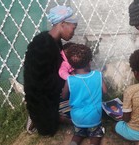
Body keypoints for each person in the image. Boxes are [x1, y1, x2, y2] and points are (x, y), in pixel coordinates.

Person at [23, 5, 78, 136]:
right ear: (63, 24)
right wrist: (65, 82)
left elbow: (57, 68)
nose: (73, 33)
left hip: (51, 92)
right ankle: (35, 116)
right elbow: (38, 82)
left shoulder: (55, 41)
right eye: (73, 28)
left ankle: (56, 114)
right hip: (39, 97)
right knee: (47, 131)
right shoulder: (42, 45)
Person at [61, 43, 107, 145]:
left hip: (77, 118)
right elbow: (105, 91)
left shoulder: (70, 80)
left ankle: (74, 142)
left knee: (78, 134)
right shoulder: (97, 75)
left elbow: (64, 96)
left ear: (71, 65)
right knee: (95, 135)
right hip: (94, 116)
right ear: (89, 62)